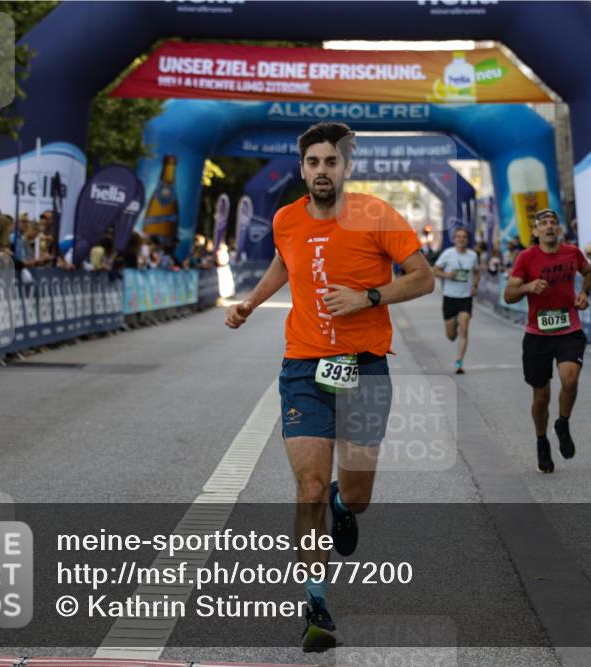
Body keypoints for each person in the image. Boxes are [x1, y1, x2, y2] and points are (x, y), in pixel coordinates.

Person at [224, 122, 433, 653]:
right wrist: (251, 302)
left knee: (355, 495)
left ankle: (345, 505)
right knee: (309, 489)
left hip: (363, 367)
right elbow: (283, 260)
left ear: (346, 167)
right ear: (303, 169)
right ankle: (315, 603)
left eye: (331, 162)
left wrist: (369, 297)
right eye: (313, 162)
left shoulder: (377, 215)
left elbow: (423, 277)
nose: (322, 171)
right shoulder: (286, 218)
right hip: (303, 368)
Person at [503, 208, 591, 474]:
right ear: (535, 231)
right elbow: (509, 294)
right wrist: (528, 288)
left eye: (553, 223)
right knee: (541, 396)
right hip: (537, 335)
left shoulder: (572, 253)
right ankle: (542, 441)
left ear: (559, 229)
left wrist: (585, 293)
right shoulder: (526, 258)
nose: (549, 227)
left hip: (569, 329)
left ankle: (563, 423)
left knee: (570, 379)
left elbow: (589, 272)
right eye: (543, 224)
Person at [433, 227, 479, 373]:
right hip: (450, 297)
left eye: (464, 237)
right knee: (451, 335)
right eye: (458, 237)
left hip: (465, 298)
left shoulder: (472, 255)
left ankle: (459, 362)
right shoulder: (448, 254)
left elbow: (477, 272)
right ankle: (452, 332)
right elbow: (435, 270)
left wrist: (475, 285)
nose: (461, 239)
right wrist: (447, 275)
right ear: (454, 239)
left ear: (467, 239)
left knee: (464, 329)